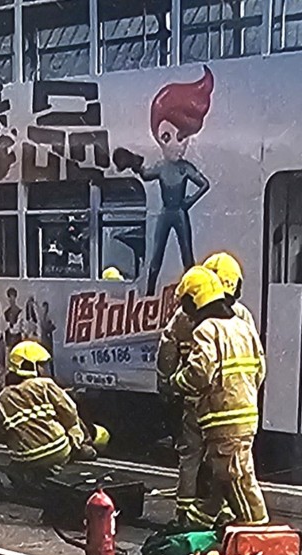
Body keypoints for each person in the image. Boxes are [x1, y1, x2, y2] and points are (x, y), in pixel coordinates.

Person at [157, 252, 256, 526]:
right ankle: (216, 515)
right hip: (231, 404)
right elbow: (257, 365)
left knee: (194, 457)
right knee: (226, 467)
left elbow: (168, 350)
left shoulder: (189, 318)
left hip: (197, 401)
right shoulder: (241, 317)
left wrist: (168, 386)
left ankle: (190, 515)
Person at [114, 67, 214, 296]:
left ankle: (194, 293)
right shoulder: (163, 167)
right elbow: (148, 174)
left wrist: (188, 201)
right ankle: (150, 293)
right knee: (156, 256)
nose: (178, 145)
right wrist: (135, 165)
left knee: (187, 256)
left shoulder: (184, 168)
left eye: (183, 137)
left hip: (177, 212)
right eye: (168, 137)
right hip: (170, 212)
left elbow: (204, 183)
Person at [0, 341, 107, 492]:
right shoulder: (44, 385)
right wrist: (76, 436)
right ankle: (82, 449)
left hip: (24, 457)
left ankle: (28, 473)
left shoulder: (1, 400)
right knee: (76, 429)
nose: (44, 369)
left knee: (18, 463)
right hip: (58, 450)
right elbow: (69, 411)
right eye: (41, 365)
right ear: (30, 366)